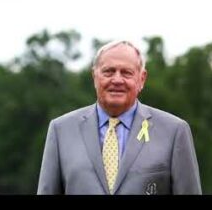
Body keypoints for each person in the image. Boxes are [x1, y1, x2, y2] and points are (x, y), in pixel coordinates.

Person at [37, 40, 202, 194]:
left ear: (141, 79)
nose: (117, 79)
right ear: (95, 76)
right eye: (108, 71)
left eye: (126, 73)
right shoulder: (61, 130)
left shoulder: (174, 131)